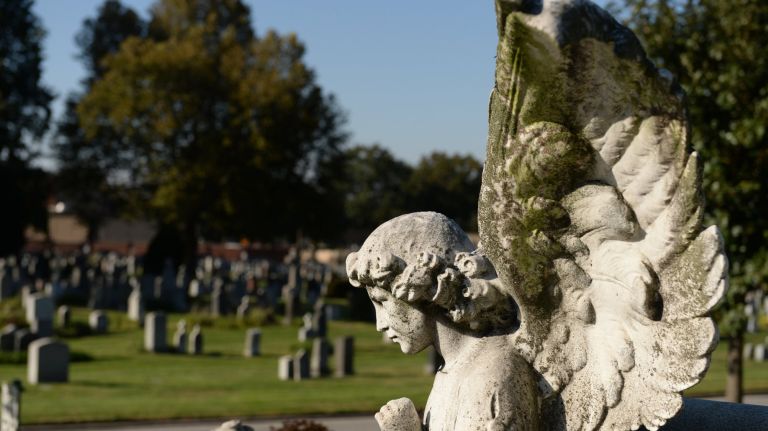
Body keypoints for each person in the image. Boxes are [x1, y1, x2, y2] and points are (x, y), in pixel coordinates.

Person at [346, 212, 540, 431]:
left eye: (382, 302)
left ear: (419, 289)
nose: (379, 324)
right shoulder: (453, 369)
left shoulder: (490, 376)